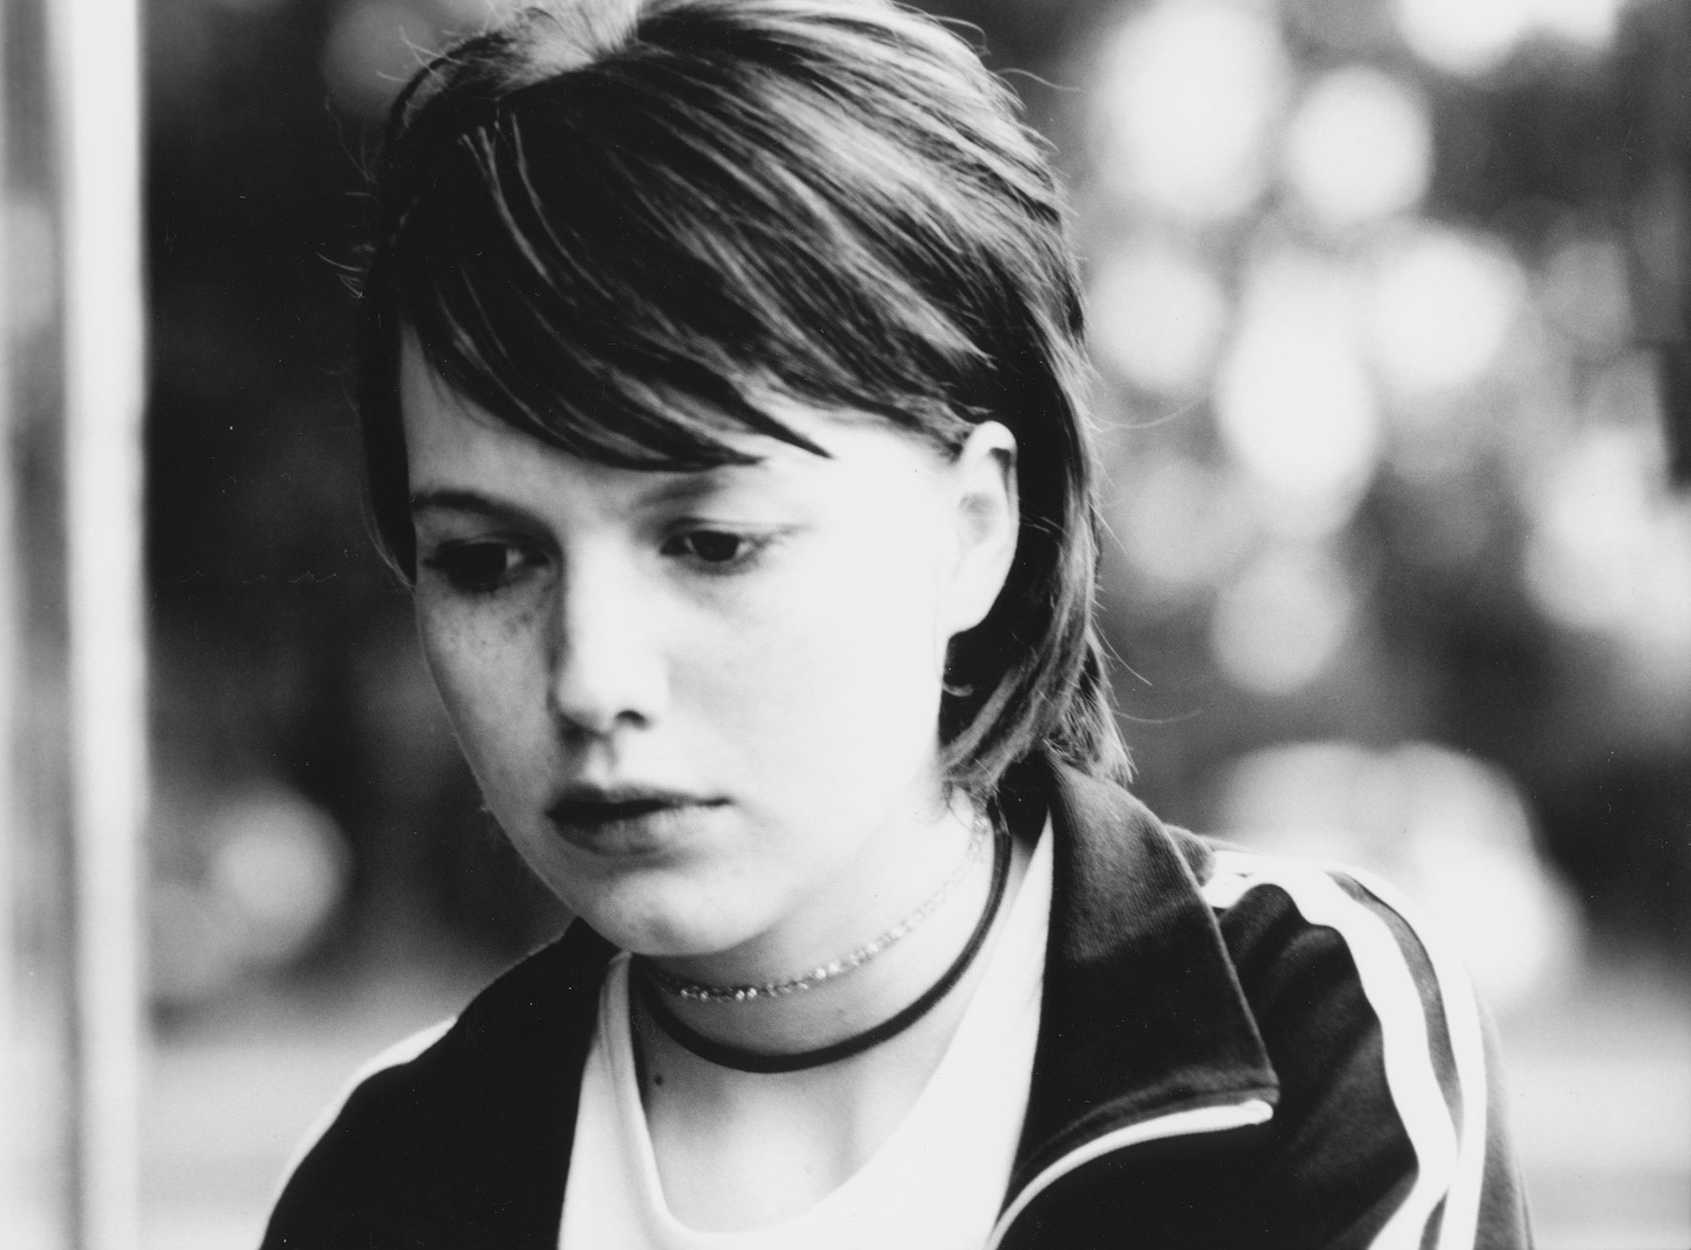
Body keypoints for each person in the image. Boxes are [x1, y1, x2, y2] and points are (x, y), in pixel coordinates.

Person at [262, 0, 1532, 1245]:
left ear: (972, 527)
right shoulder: (392, 1180)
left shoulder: (1298, 1029)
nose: (591, 676)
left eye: (709, 541)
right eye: (487, 561)